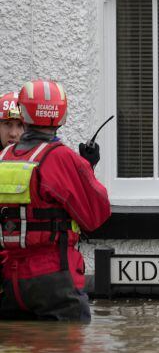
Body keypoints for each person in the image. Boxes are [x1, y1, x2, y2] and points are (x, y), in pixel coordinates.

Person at [0, 79, 111, 321]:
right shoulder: (61, 158)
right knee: (64, 352)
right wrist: (87, 168)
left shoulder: (4, 157)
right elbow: (95, 215)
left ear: (24, 113)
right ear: (62, 115)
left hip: (10, 280)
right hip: (53, 279)